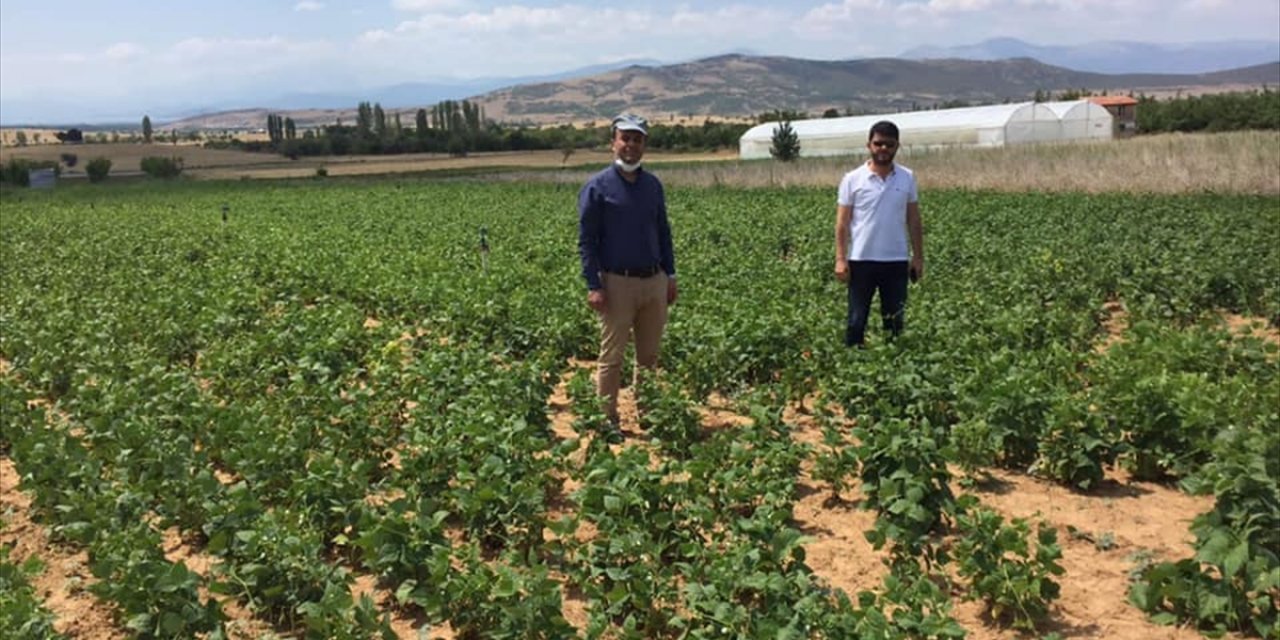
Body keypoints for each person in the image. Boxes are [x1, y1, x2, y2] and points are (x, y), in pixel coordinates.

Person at [578, 113, 678, 436]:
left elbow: (663, 232)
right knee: (612, 357)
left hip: (653, 281)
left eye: (637, 140)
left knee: (649, 357)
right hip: (616, 282)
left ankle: (648, 414)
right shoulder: (597, 187)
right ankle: (607, 420)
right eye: (625, 138)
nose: (631, 145)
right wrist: (594, 285)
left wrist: (670, 275)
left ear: (644, 145)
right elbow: (587, 241)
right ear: (613, 143)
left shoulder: (652, 186)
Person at [833, 120, 924, 347]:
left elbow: (913, 219)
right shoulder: (853, 179)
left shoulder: (907, 177)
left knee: (894, 321)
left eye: (889, 144)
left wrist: (918, 257)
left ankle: (893, 362)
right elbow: (842, 223)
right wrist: (840, 259)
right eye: (878, 143)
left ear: (897, 146)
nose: (883, 148)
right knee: (856, 320)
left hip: (896, 260)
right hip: (861, 260)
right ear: (869, 145)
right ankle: (853, 361)